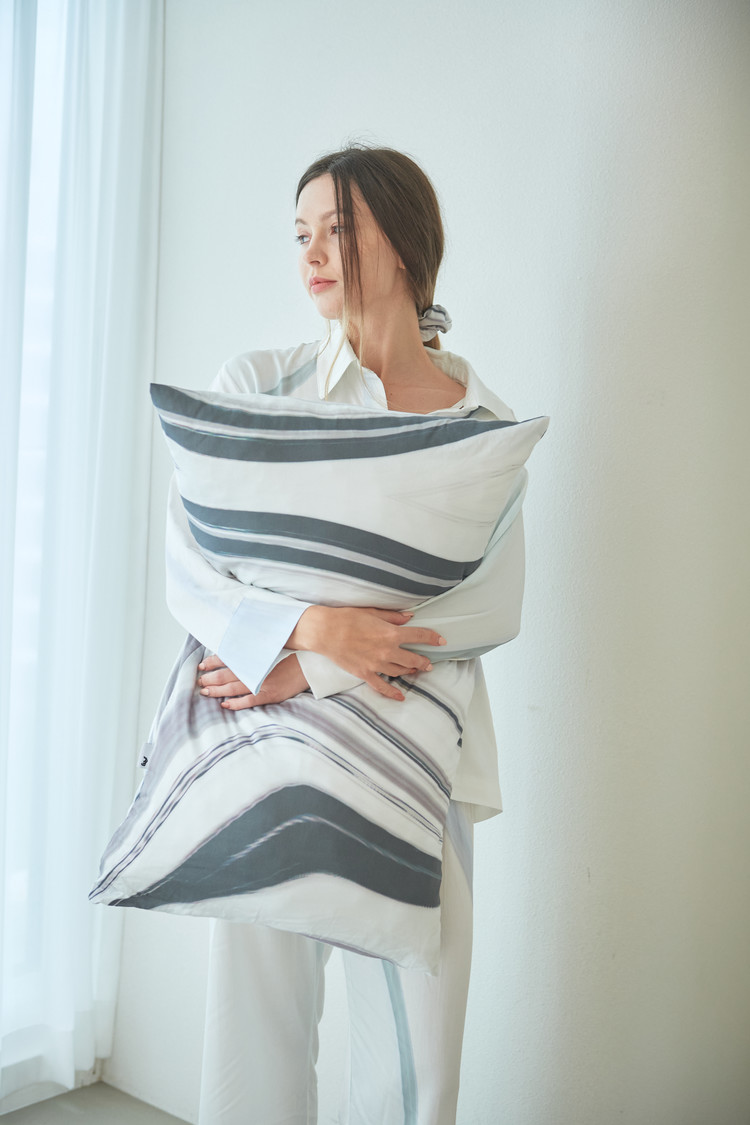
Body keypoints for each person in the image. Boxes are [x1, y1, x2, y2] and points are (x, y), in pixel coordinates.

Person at [165, 145, 528, 1125]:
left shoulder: (481, 424)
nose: (314, 254)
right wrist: (312, 629)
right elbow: (192, 563)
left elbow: (492, 604)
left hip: (417, 752)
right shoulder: (258, 385)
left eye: (339, 229)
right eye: (302, 234)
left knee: (415, 1063)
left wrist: (312, 665)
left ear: (402, 244)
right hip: (263, 746)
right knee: (254, 1039)